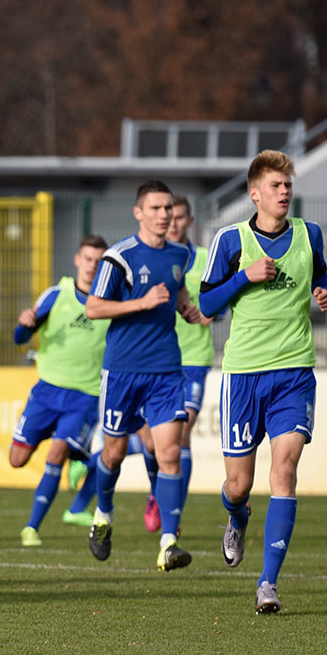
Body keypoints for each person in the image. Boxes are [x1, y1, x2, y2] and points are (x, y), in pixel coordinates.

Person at [199, 150, 327, 614]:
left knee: (284, 472)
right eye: (275, 186)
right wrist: (244, 276)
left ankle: (267, 584)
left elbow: (320, 272)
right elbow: (207, 305)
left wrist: (324, 291)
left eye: (288, 185)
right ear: (254, 194)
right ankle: (237, 517)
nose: (284, 192)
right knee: (239, 485)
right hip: (243, 376)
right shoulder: (230, 240)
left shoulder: (309, 234)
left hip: (294, 372)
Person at [85, 180, 202, 572]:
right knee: (114, 452)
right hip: (122, 371)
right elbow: (93, 308)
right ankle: (103, 514)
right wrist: (142, 303)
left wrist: (187, 309)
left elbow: (178, 289)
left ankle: (168, 543)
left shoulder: (181, 253)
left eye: (168, 208)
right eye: (155, 208)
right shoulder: (119, 257)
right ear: (138, 213)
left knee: (168, 453)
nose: (164, 215)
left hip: (166, 370)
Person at [8, 235, 110, 546]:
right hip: (47, 392)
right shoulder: (56, 295)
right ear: (78, 260)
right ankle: (81, 459)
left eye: (99, 261)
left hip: (85, 396)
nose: (92, 266)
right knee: (17, 459)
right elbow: (20, 337)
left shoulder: (110, 302)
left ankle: (31, 528)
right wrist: (24, 323)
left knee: (56, 452)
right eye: (88, 259)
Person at [140, 195, 217, 533]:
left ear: (190, 221)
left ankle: (173, 512)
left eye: (180, 217)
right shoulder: (152, 257)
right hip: (156, 359)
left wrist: (212, 311)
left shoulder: (205, 259)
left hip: (194, 360)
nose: (173, 223)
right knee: (152, 441)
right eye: (169, 216)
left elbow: (221, 300)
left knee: (182, 434)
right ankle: (158, 491)